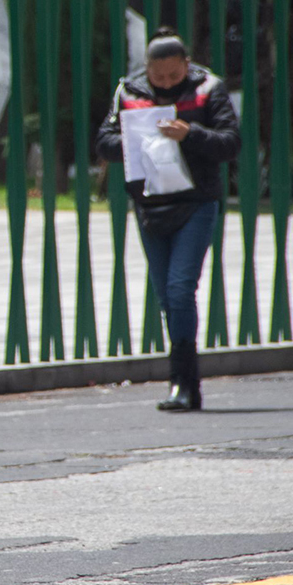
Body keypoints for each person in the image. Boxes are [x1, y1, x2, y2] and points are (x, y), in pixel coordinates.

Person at [96, 28, 241, 411]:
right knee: (167, 297)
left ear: (186, 65)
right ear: (147, 70)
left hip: (195, 203)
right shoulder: (129, 91)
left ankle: (184, 384)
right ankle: (183, 383)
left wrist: (189, 133)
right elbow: (103, 142)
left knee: (180, 290)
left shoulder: (209, 89)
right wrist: (135, 138)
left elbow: (230, 141)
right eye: (158, 78)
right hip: (149, 206)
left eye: (173, 78)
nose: (165, 85)